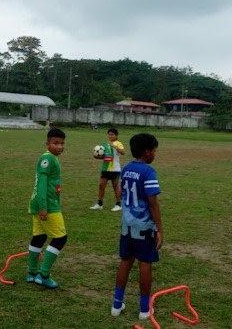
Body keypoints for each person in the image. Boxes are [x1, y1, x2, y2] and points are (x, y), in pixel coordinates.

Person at [110, 133, 163, 320]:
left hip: (127, 225)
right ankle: (144, 309)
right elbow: (153, 203)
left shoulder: (126, 169)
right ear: (147, 152)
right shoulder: (148, 172)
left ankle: (116, 305)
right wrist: (160, 229)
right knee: (145, 264)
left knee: (125, 261)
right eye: (154, 151)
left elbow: (122, 192)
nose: (155, 154)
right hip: (144, 226)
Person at [27, 128, 68, 288]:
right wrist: (43, 207)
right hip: (48, 205)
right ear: (47, 144)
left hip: (38, 203)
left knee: (40, 237)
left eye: (62, 143)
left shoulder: (50, 158)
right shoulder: (48, 159)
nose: (59, 146)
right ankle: (43, 275)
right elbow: (42, 184)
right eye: (55, 143)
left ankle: (31, 273)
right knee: (60, 238)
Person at [90, 128, 125, 212]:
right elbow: (105, 156)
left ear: (116, 135)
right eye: (109, 134)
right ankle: (99, 204)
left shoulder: (118, 143)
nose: (110, 136)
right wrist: (98, 156)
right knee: (101, 185)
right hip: (105, 168)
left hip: (115, 169)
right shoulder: (105, 144)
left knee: (115, 186)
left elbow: (123, 152)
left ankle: (118, 204)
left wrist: (114, 146)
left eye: (112, 134)